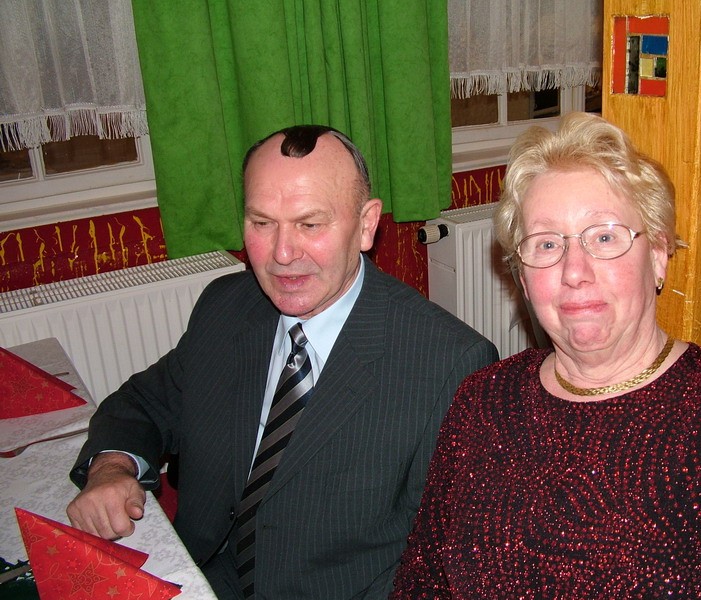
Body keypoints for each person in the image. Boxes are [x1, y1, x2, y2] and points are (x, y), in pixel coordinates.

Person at [66, 125, 498, 599]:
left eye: (309, 225)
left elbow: (435, 560)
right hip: (199, 575)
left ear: (366, 225)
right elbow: (146, 402)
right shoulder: (227, 306)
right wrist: (112, 467)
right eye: (262, 223)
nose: (282, 254)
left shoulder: (448, 364)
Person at [390, 112, 701, 598]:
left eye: (604, 236)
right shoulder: (483, 400)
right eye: (546, 244)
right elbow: (423, 580)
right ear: (523, 277)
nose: (574, 271)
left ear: (658, 255)